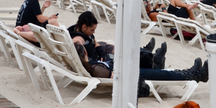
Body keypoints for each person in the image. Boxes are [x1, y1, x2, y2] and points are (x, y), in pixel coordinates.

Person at [73, 42, 208, 84]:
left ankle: (157, 59)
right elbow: (116, 78)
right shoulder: (95, 68)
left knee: (158, 70)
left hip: (124, 69)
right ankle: (197, 75)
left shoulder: (89, 64)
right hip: (130, 74)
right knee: (161, 74)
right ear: (85, 52)